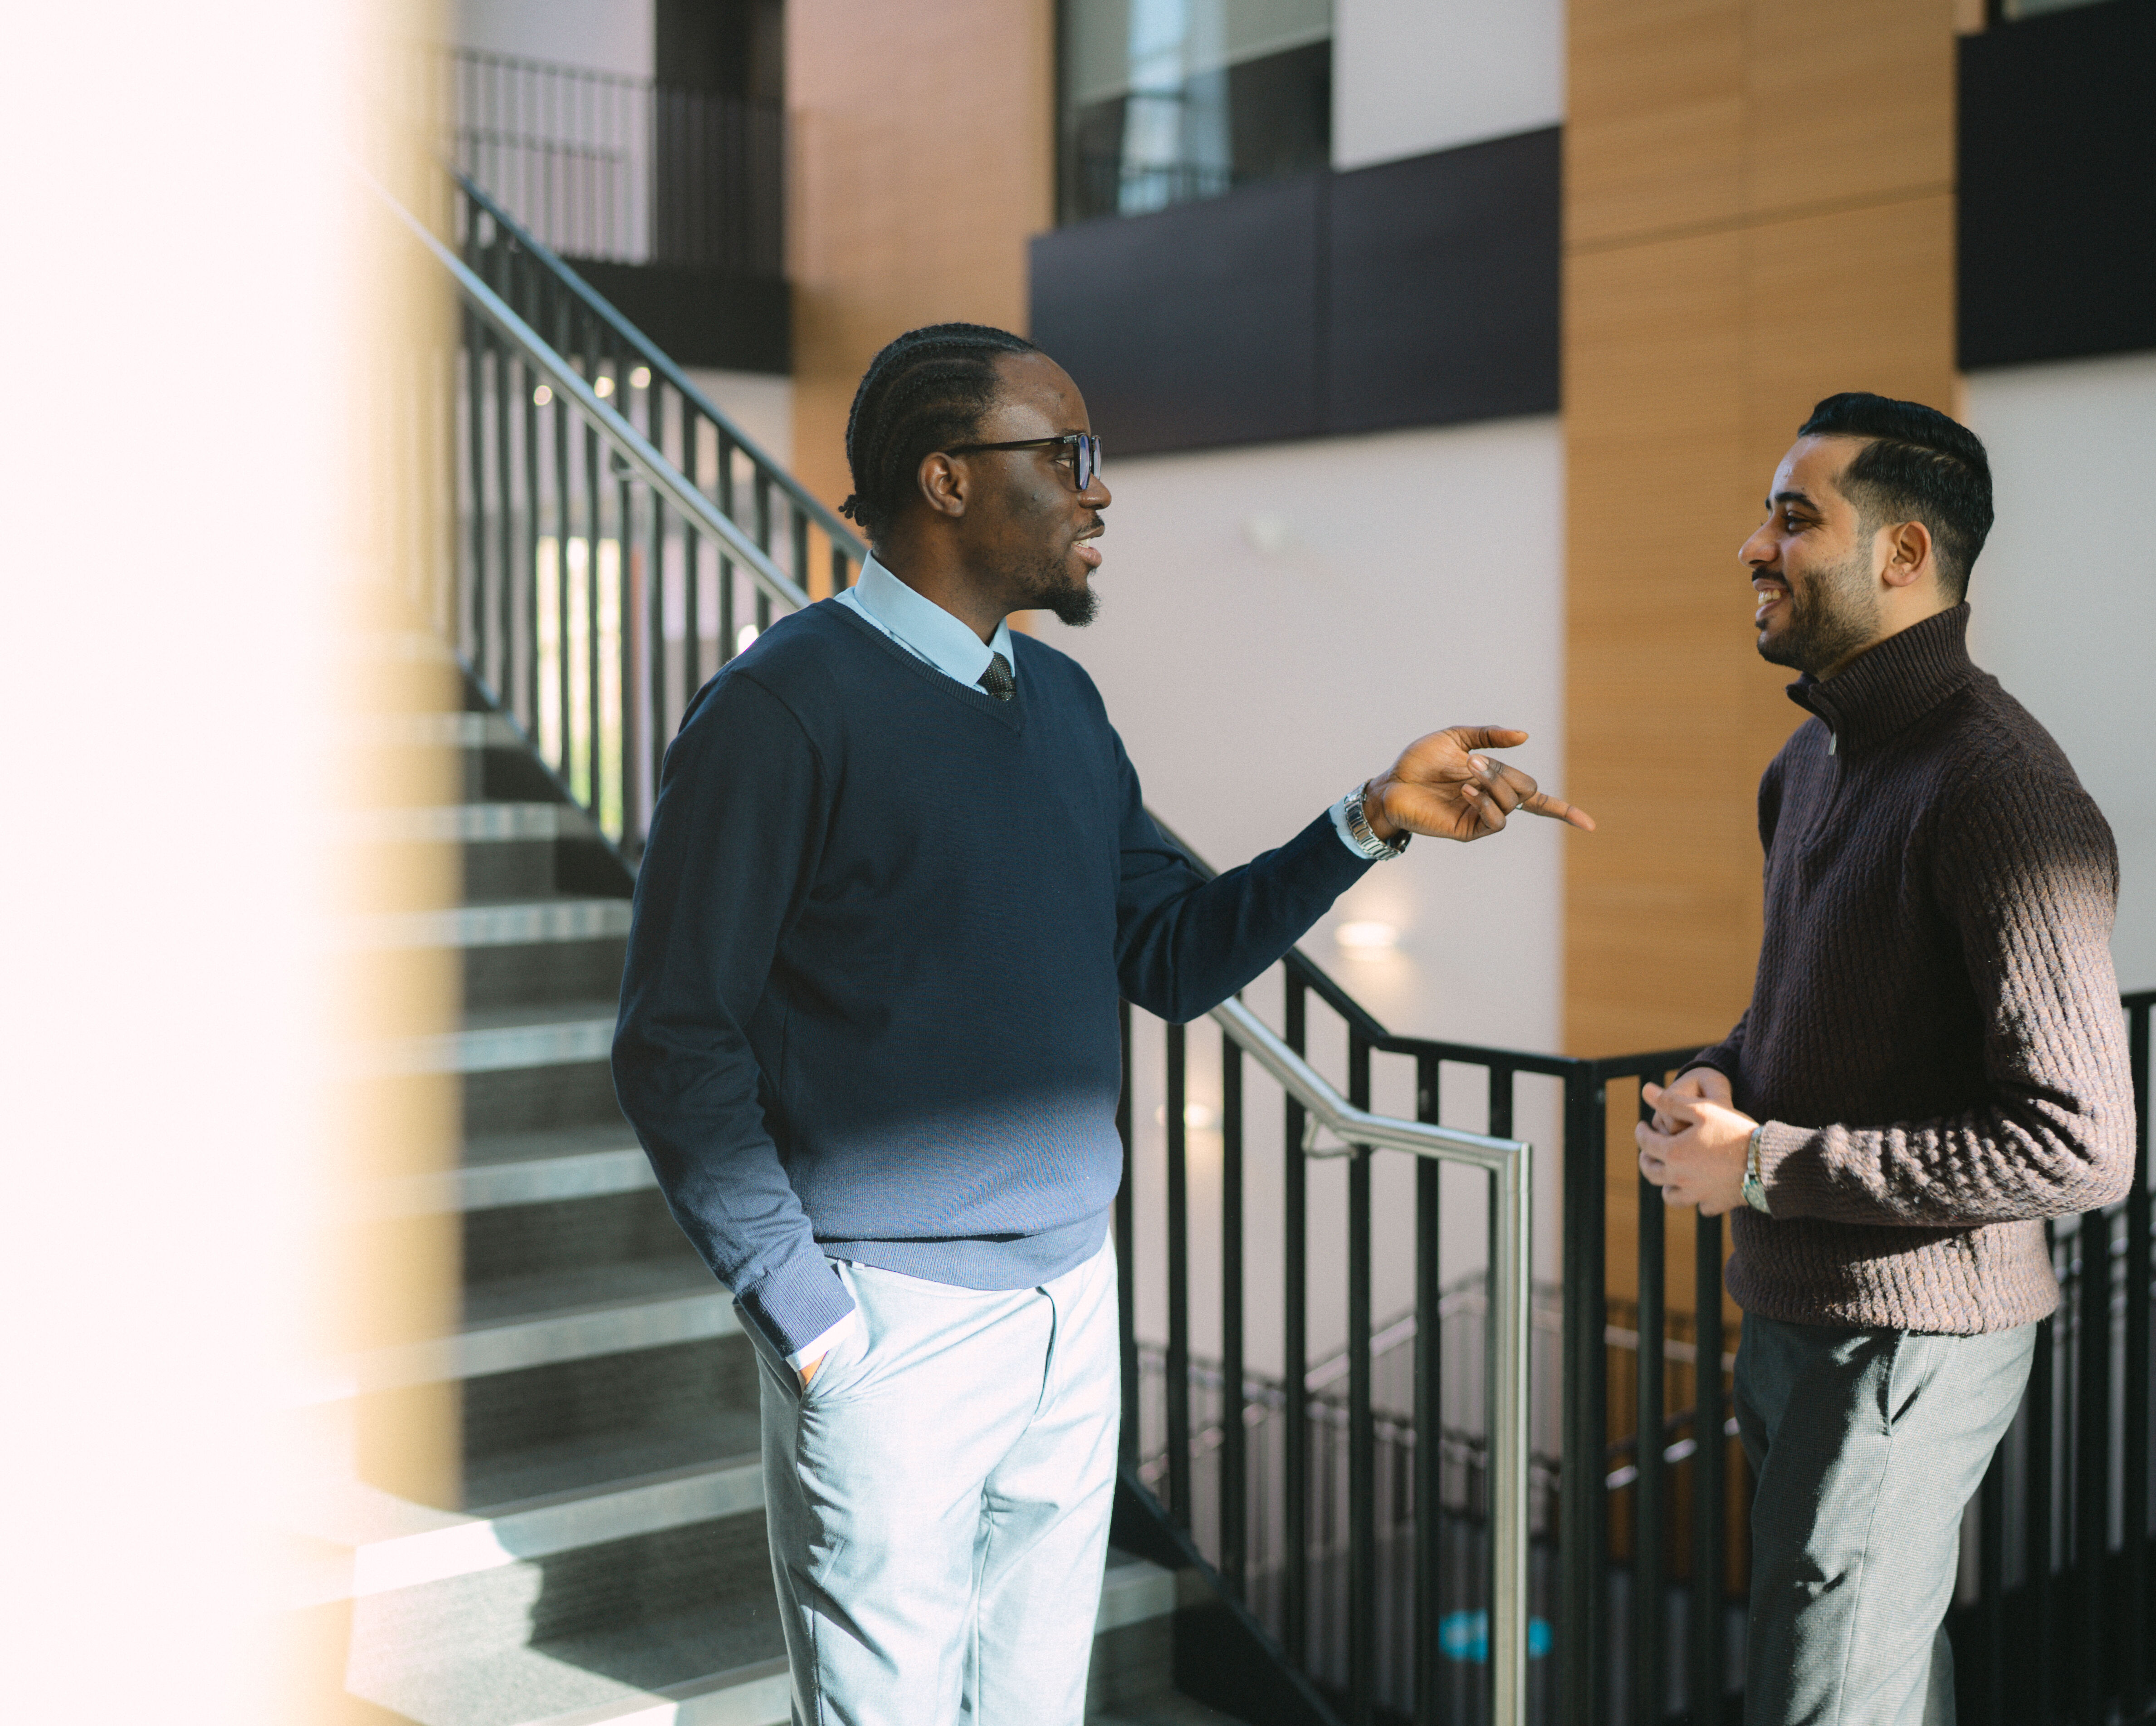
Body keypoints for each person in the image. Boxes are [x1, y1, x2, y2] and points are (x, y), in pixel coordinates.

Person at [611, 322, 1590, 1726]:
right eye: (1068, 454)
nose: (1101, 489)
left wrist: (1366, 821)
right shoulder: (779, 709)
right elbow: (673, 1038)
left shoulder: (1061, 700)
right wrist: (807, 1318)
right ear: (948, 480)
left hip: (1075, 1299)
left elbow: (1173, 953)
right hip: (888, 1324)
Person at [1632, 393, 2134, 1725]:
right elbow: (1807, 1010)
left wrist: (1765, 1166)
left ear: (1904, 555)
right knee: (1877, 1671)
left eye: (1794, 518)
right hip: (1796, 1308)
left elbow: (2080, 1146)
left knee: (1825, 1695)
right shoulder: (1806, 762)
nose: (1753, 545)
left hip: (1908, 1337)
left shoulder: (2004, 789)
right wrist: (1722, 1076)